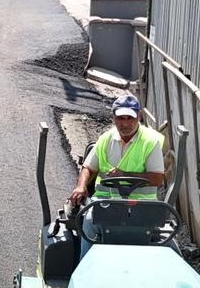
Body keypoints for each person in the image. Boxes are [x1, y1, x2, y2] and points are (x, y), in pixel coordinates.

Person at [69, 94, 165, 254]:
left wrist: (125, 174)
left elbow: (157, 179)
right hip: (106, 202)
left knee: (164, 244)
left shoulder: (150, 142)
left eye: (130, 118)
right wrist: (80, 186)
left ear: (139, 116)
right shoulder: (105, 140)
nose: (125, 123)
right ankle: (86, 265)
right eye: (120, 118)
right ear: (113, 117)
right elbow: (89, 168)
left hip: (142, 204)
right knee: (89, 221)